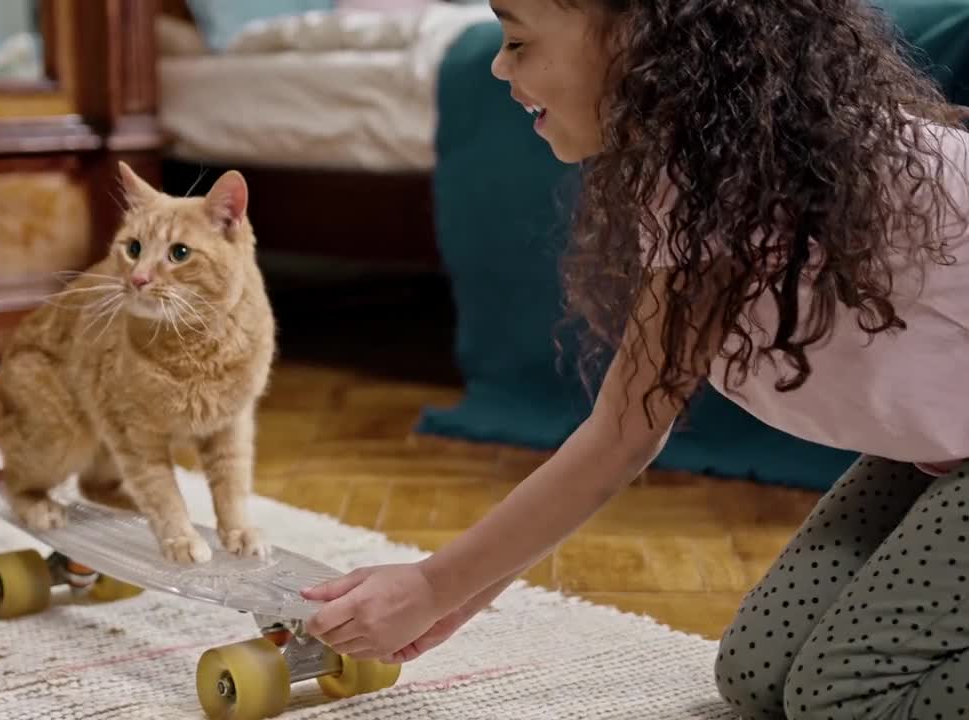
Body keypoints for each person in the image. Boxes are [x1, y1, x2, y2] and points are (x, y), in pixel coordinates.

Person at [302, 0, 969, 717]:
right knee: (757, 675)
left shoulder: (761, 178)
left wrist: (436, 585)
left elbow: (624, 432)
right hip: (941, 447)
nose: (499, 65)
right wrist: (450, 599)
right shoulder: (703, 171)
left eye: (519, 40)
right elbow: (630, 422)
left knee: (847, 698)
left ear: (635, 37)